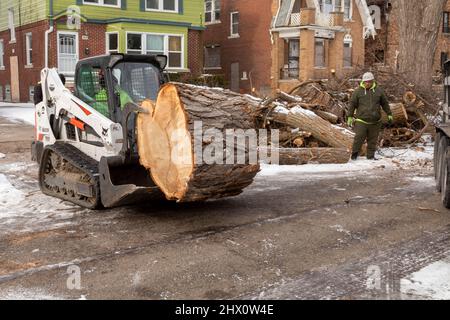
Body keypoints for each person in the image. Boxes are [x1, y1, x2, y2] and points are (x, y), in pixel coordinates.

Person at [347, 72, 393, 161]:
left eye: (369, 82)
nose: (367, 83)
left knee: (373, 140)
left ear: (373, 81)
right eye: (365, 82)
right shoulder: (358, 92)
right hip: (361, 120)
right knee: (358, 138)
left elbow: (385, 103)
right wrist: (350, 116)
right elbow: (352, 104)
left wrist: (389, 114)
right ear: (363, 82)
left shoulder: (379, 91)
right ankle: (354, 154)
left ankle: (370, 156)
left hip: (375, 121)